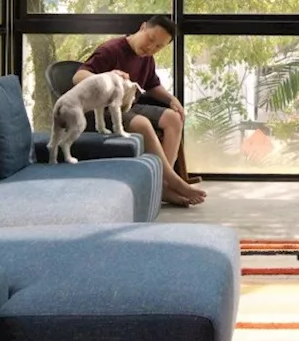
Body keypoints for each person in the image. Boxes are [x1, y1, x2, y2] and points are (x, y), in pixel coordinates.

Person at [75, 16, 207, 206]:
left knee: (174, 118)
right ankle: (174, 181)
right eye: (151, 39)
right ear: (143, 27)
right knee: (142, 123)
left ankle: (161, 184)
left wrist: (171, 99)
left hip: (131, 106)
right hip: (104, 110)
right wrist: (107, 76)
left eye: (158, 46)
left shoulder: (147, 59)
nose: (151, 48)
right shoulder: (111, 49)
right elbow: (78, 76)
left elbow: (152, 85)